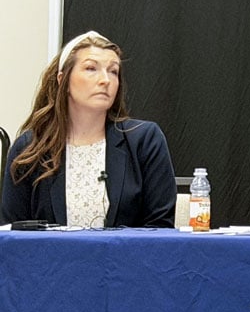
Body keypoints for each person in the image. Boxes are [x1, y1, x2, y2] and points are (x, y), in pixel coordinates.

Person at [1, 31, 176, 228]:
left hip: (126, 259)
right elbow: (13, 233)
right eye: (91, 68)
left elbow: (160, 229)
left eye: (113, 71)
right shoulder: (29, 149)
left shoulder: (144, 141)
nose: (105, 80)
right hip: (51, 259)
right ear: (63, 80)